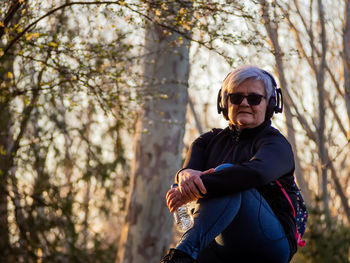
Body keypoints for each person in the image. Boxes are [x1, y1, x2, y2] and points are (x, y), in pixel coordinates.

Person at [160, 65, 299, 263]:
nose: (244, 103)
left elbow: (254, 175)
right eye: (235, 97)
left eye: (254, 98)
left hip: (270, 244)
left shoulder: (276, 145)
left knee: (230, 176)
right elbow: (187, 176)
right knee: (221, 181)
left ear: (270, 105)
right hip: (219, 242)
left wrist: (200, 185)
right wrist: (184, 179)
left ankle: (181, 257)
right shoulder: (206, 141)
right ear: (224, 103)